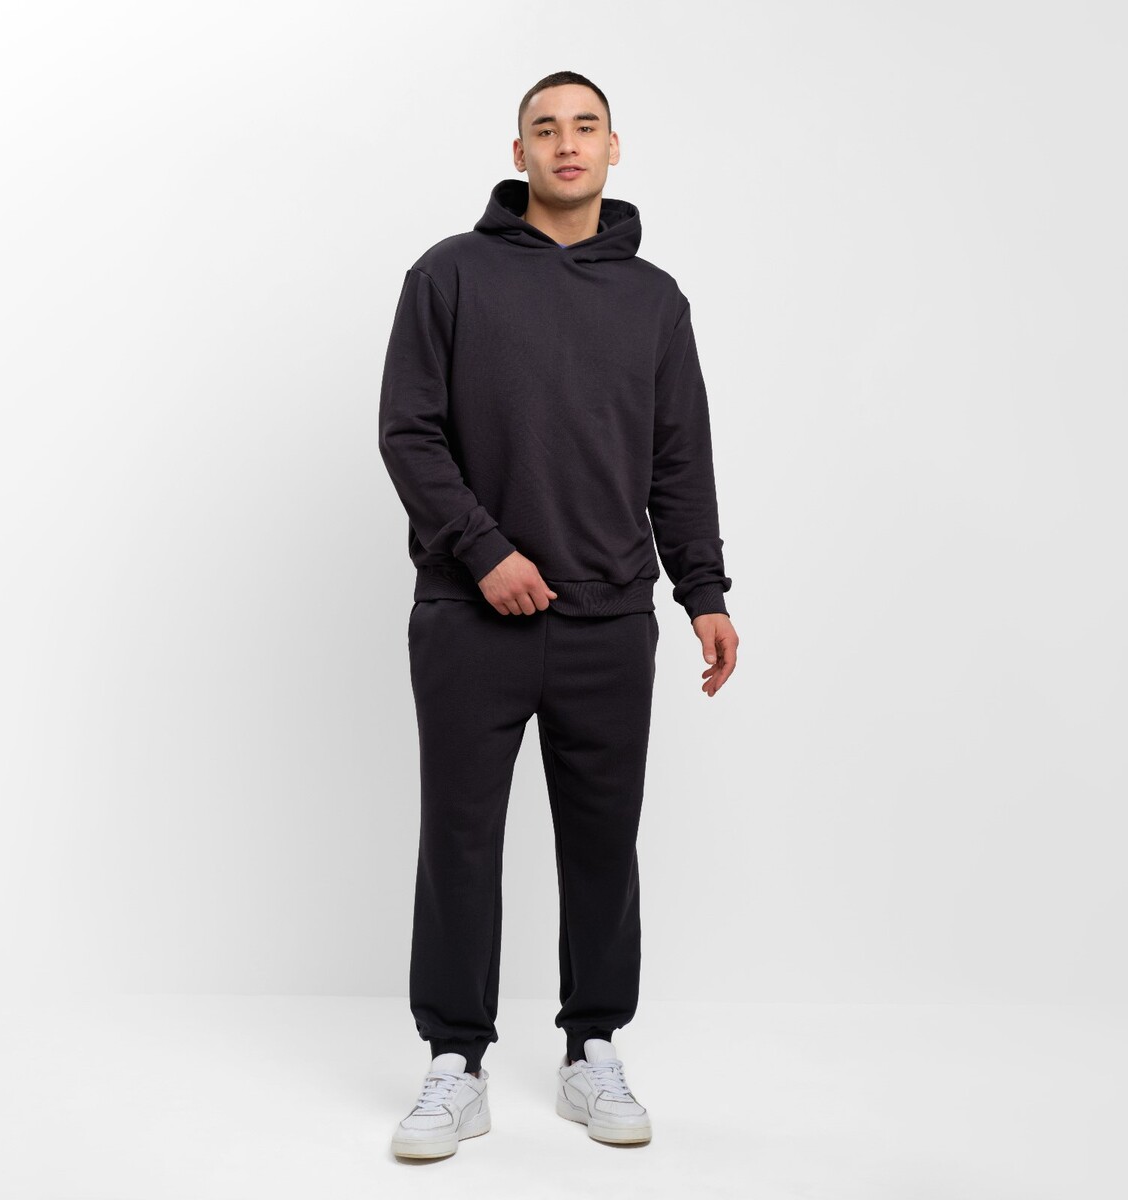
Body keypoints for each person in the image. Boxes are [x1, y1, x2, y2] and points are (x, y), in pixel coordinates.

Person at [378, 70, 738, 1160]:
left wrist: (705, 591)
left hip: (608, 620)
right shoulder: (448, 275)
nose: (566, 143)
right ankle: (455, 1062)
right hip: (468, 616)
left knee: (602, 845)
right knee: (458, 839)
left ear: (614, 148)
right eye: (546, 128)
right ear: (520, 151)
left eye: (586, 127)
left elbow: (678, 459)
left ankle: (594, 1050)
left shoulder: (655, 300)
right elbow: (408, 432)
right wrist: (483, 552)